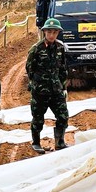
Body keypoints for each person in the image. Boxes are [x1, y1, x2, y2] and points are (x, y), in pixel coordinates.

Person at [26, 17, 69, 154]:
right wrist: (35, 84)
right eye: (49, 32)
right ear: (44, 32)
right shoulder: (36, 49)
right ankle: (36, 142)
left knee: (63, 115)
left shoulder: (60, 48)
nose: (51, 35)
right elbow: (29, 69)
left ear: (58, 33)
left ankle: (60, 141)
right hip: (40, 91)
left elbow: (63, 69)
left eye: (54, 32)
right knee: (38, 118)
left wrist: (63, 87)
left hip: (56, 90)